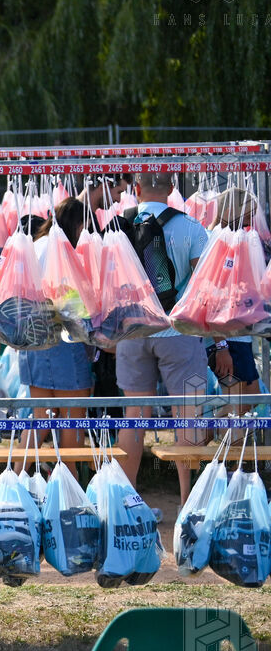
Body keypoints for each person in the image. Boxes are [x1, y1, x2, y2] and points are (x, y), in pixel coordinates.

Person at [108, 173, 209, 503]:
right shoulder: (191, 228)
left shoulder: (119, 226)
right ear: (172, 188)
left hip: (133, 330)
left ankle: (128, 501)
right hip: (178, 331)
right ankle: (186, 500)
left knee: (135, 414)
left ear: (136, 189)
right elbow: (204, 284)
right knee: (186, 413)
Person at [20, 198, 95, 449]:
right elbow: (71, 302)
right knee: (73, 418)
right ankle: (69, 473)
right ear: (77, 224)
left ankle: (17, 471)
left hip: (33, 341)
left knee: (40, 418)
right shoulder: (63, 250)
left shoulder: (36, 245)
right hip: (63, 341)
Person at [208, 188, 265, 418]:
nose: (252, 218)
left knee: (247, 399)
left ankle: (206, 434)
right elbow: (209, 298)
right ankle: (202, 435)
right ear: (233, 211)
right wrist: (221, 346)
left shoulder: (238, 239)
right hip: (225, 337)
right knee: (236, 404)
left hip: (238, 336)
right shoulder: (217, 240)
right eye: (249, 212)